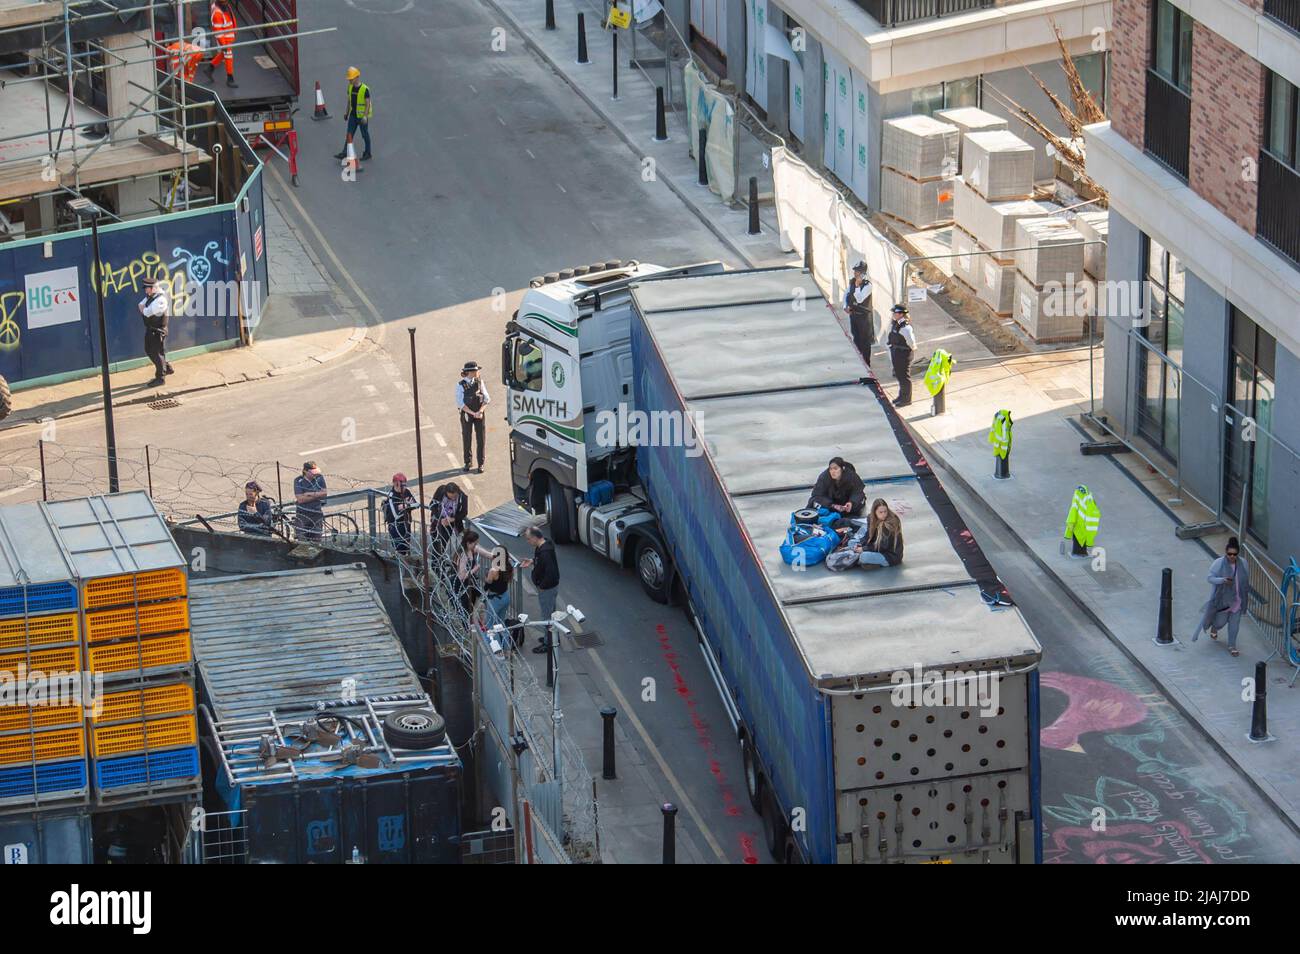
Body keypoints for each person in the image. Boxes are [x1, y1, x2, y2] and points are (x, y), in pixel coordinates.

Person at [1195, 537, 1249, 657]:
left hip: (1237, 601)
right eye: (1229, 554)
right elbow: (1210, 578)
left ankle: (1232, 646)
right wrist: (1222, 580)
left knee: (1235, 625)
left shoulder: (1243, 563)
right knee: (1220, 622)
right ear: (1226, 553)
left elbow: (1245, 582)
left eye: (1234, 554)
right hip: (1223, 601)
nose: (1232, 556)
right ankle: (1214, 628)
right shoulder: (1219, 563)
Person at [520, 527, 559, 654]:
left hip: (546, 589)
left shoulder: (545, 552)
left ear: (536, 537)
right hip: (548, 588)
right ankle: (551, 638)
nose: (527, 541)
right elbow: (542, 563)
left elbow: (551, 572)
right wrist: (532, 561)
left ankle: (549, 644)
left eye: (528, 538)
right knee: (551, 614)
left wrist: (541, 586)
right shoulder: (543, 546)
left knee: (546, 616)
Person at [137, 276, 173, 386]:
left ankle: (160, 378)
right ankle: (166, 367)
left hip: (158, 330)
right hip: (151, 329)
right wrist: (144, 309)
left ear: (153, 288)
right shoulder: (151, 296)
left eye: (147, 288)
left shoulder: (160, 300)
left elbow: (146, 312)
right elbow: (140, 305)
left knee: (156, 353)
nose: (145, 290)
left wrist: (144, 310)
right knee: (151, 351)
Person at [850, 498, 904, 568]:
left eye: (885, 511)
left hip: (889, 555)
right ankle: (868, 561)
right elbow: (868, 535)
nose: (884, 514)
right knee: (852, 542)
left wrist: (864, 549)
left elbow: (882, 546)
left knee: (863, 556)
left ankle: (873, 562)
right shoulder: (871, 518)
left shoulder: (891, 523)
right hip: (875, 548)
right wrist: (861, 544)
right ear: (875, 512)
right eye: (880, 512)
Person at [333, 67, 373, 162]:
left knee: (364, 134)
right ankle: (345, 152)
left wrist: (365, 116)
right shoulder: (350, 87)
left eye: (351, 79)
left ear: (357, 77)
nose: (350, 80)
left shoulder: (364, 89)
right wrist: (346, 113)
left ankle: (368, 153)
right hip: (353, 115)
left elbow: (368, 104)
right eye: (349, 79)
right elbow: (349, 101)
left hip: (361, 117)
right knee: (349, 134)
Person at [456, 361, 490, 473]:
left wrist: (480, 411)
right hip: (467, 414)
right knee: (467, 438)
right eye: (475, 370)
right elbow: (460, 404)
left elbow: (486, 399)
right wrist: (472, 413)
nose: (477, 372)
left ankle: (481, 463)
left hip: (479, 414)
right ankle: (468, 462)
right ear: (469, 372)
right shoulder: (460, 385)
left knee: (481, 438)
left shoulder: (480, 382)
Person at [844, 261, 875, 368]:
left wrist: (857, 286)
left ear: (862, 272)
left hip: (864, 317)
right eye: (855, 271)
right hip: (854, 315)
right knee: (856, 338)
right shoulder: (852, 282)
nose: (855, 273)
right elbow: (847, 294)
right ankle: (859, 362)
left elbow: (860, 299)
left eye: (857, 271)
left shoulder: (867, 285)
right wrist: (845, 306)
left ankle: (867, 364)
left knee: (865, 341)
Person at [887, 304, 917, 407]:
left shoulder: (906, 327)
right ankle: (901, 396)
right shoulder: (896, 324)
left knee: (904, 377)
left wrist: (906, 351)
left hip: (903, 354)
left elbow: (912, 343)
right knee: (899, 376)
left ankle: (906, 399)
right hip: (897, 352)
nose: (893, 315)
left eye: (895, 313)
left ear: (901, 314)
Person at [202, 0, 237, 87]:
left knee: (224, 53)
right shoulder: (218, 13)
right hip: (225, 39)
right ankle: (230, 79)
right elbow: (218, 32)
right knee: (228, 57)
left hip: (229, 37)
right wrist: (224, 44)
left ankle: (209, 68)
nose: (228, 3)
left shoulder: (223, 5)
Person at [383, 472, 417, 555]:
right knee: (399, 550)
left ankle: (404, 565)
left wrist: (404, 506)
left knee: (406, 548)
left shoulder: (406, 491)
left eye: (405, 485)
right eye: (402, 486)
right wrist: (407, 505)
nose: (404, 488)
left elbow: (416, 504)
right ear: (395, 484)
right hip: (395, 526)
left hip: (406, 524)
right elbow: (396, 515)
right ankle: (400, 566)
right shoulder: (391, 496)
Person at [293, 460, 327, 542]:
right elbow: (300, 499)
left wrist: (309, 494)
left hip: (316, 512)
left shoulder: (319, 477)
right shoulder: (298, 481)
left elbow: (324, 493)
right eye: (312, 472)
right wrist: (317, 495)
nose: (315, 474)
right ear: (305, 471)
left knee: (317, 538)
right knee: (302, 540)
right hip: (303, 514)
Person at [430, 481, 468, 553]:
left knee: (442, 545)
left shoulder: (463, 497)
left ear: (458, 492)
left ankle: (439, 561)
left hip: (449, 525)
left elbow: (464, 512)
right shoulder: (441, 490)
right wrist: (440, 519)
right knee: (435, 544)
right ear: (446, 493)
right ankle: (435, 563)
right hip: (437, 522)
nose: (453, 499)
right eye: (450, 497)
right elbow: (432, 505)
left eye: (455, 497)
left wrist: (453, 519)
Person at [455, 529, 485, 615]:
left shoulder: (468, 550)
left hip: (469, 585)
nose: (476, 546)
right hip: (463, 587)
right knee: (467, 610)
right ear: (468, 543)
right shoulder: (464, 555)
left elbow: (485, 553)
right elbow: (462, 576)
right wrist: (475, 569)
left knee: (474, 606)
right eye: (475, 544)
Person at [482, 547, 513, 623]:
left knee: (491, 624)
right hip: (505, 596)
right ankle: (503, 634)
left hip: (495, 599)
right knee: (501, 622)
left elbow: (486, 586)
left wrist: (486, 578)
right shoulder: (509, 566)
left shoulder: (493, 570)